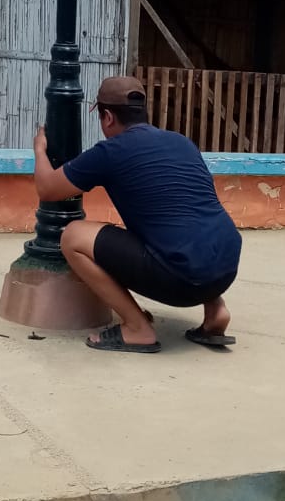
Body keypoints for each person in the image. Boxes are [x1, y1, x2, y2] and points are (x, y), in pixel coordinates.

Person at [31, 76, 242, 354]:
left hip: (183, 280)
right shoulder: (181, 142)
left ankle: (137, 328)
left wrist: (40, 150)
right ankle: (216, 311)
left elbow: (48, 189)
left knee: (73, 236)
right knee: (184, 222)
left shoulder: (110, 152)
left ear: (108, 117)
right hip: (227, 267)